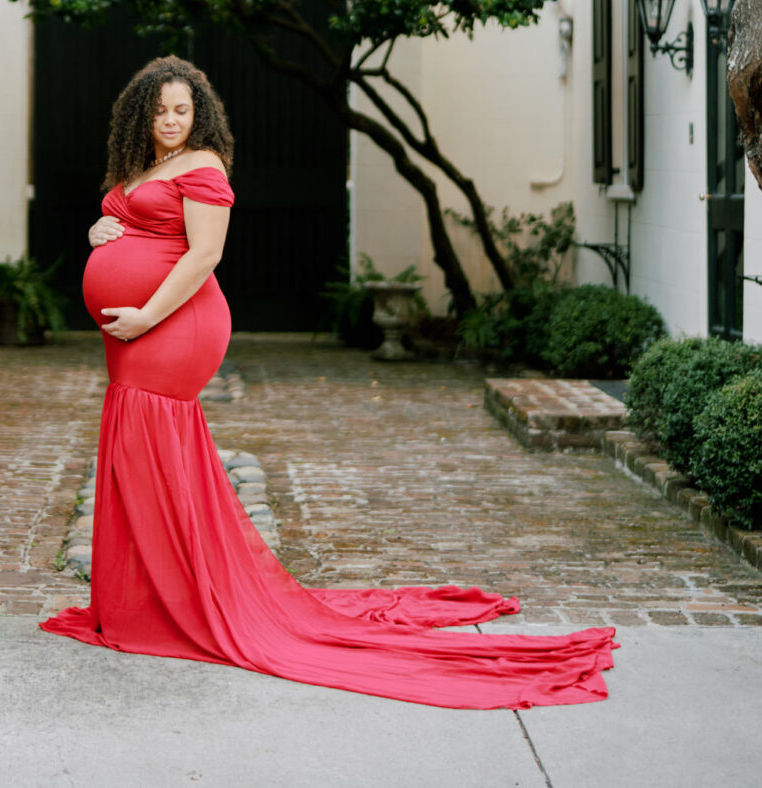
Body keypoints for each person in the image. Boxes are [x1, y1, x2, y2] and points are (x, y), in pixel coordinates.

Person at [40, 55, 617, 709]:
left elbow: (204, 255)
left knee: (152, 443)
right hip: (138, 332)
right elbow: (130, 223)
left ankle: (170, 603)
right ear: (141, 114)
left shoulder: (204, 166)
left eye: (182, 110)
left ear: (198, 115)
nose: (171, 120)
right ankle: (148, 595)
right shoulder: (142, 165)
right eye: (161, 110)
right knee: (139, 451)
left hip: (174, 325)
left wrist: (145, 311)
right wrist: (99, 231)